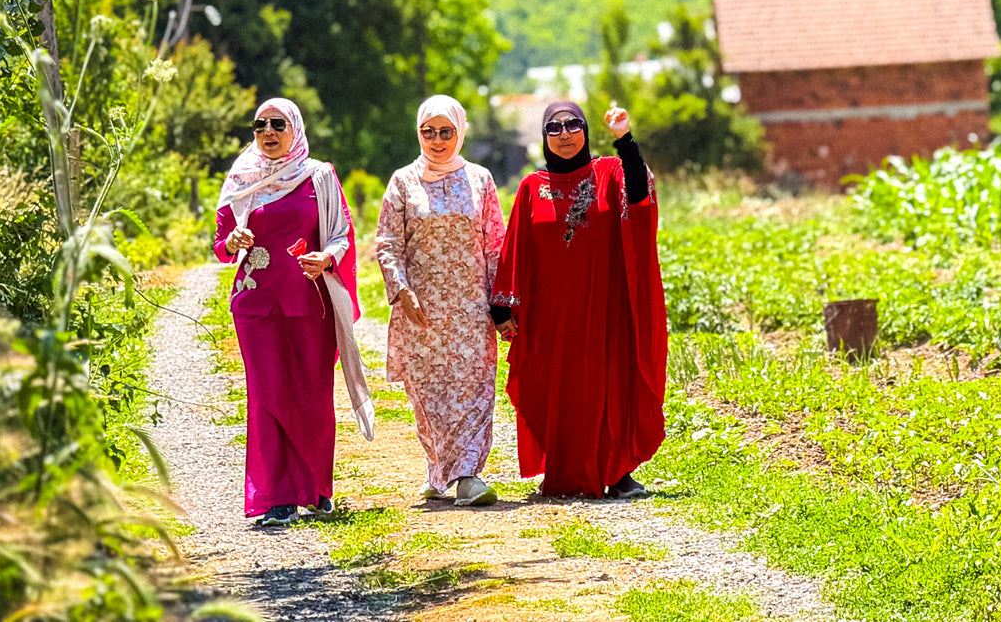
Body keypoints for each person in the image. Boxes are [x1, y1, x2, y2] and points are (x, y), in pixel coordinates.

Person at [491, 102, 667, 499]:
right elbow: (514, 249)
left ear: (586, 130)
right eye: (554, 128)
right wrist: (503, 307)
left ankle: (617, 472)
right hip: (551, 314)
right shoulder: (531, 188)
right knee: (557, 390)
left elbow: (639, 198)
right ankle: (566, 468)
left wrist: (625, 139)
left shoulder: (610, 172)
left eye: (573, 125)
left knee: (610, 386)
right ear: (544, 136)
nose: (565, 134)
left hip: (607, 307)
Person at [214, 97, 370, 528]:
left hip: (309, 302)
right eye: (259, 124)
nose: (268, 132)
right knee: (268, 397)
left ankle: (317, 491)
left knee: (312, 395)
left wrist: (327, 258)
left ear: (294, 128)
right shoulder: (241, 178)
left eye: (277, 124)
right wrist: (232, 243)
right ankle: (277, 496)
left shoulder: (318, 176)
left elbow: (341, 233)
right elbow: (221, 242)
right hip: (256, 305)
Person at [375, 95, 504, 507]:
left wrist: (502, 303)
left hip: (470, 308)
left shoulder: (480, 180)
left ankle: (468, 475)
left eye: (445, 131)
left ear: (460, 131)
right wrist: (401, 290)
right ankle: (439, 469)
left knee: (473, 391)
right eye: (428, 132)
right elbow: (388, 243)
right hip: (421, 309)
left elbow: (495, 244)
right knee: (429, 396)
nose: (436, 140)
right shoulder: (402, 182)